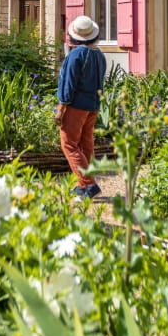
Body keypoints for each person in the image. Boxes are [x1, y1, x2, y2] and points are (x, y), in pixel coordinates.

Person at [56, 15, 107, 199]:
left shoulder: (76, 55)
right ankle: (81, 186)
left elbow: (68, 84)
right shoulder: (99, 55)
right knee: (86, 144)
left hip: (76, 106)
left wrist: (61, 107)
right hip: (93, 105)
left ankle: (89, 184)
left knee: (69, 144)